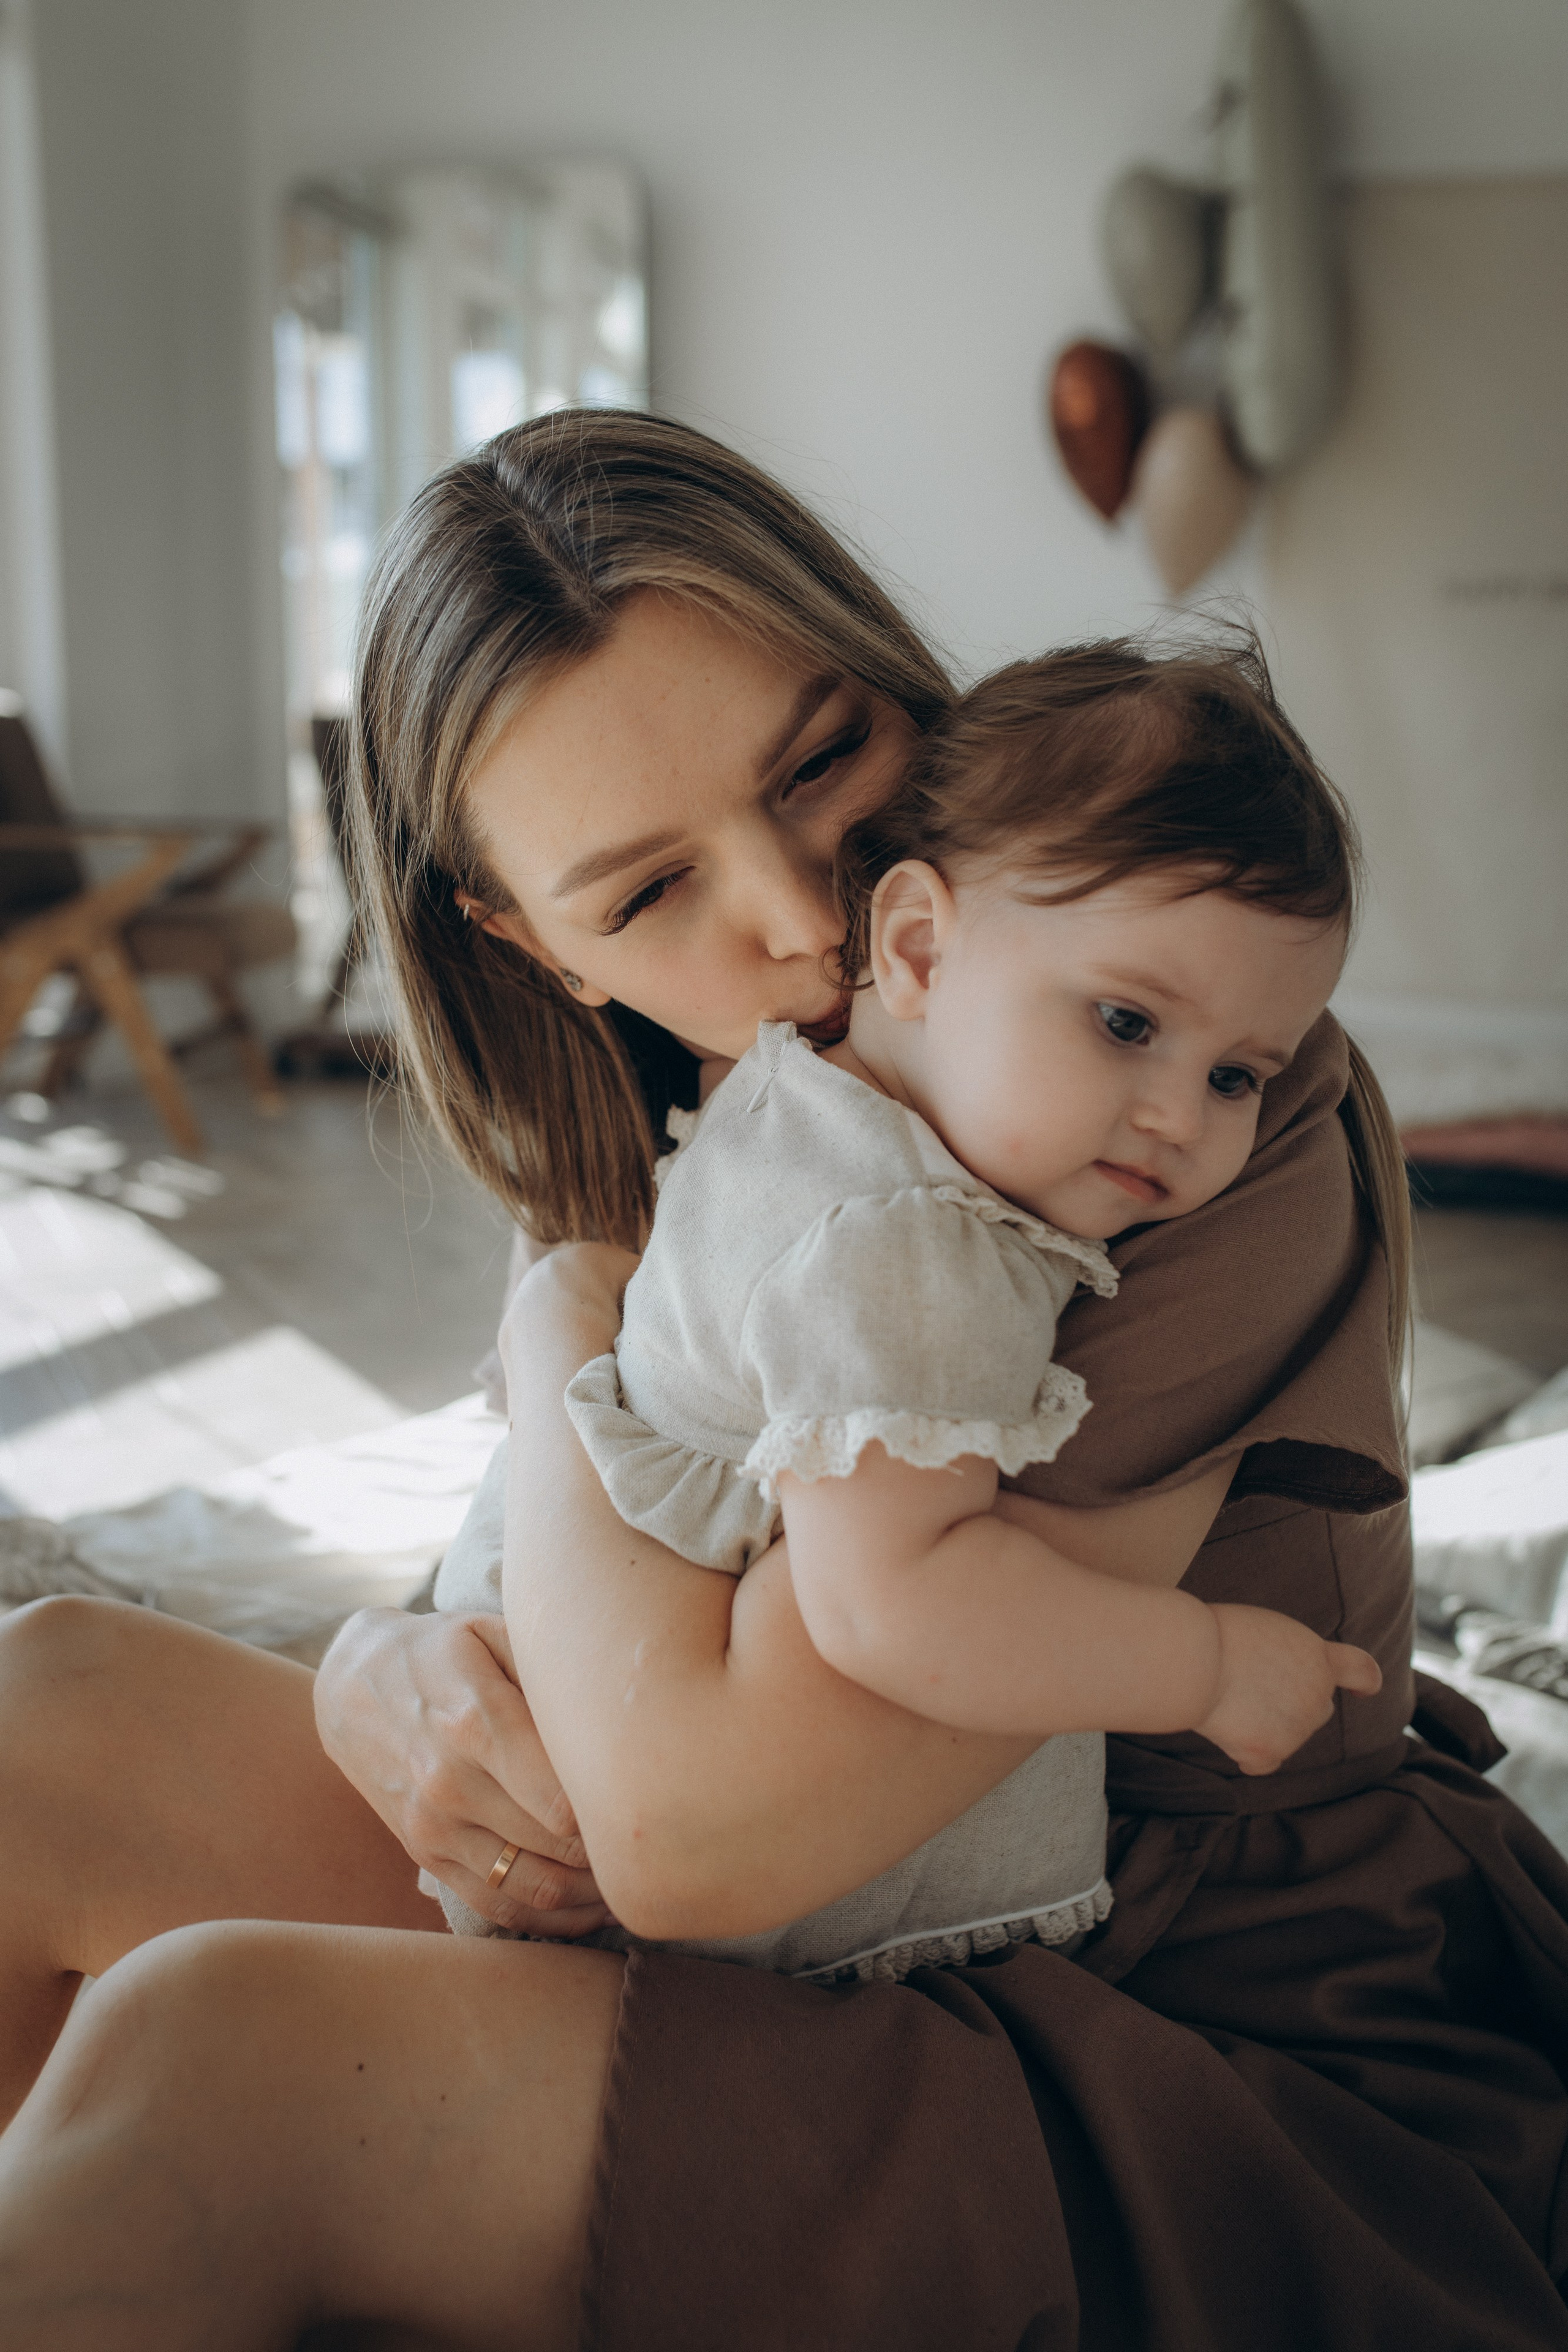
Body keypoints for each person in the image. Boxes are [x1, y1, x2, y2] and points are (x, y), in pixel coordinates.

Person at [0, 412, 1564, 2351]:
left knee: (207, 2070)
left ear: (900, 681)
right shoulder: (733, 1114)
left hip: (1146, 2017)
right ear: (533, 946)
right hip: (796, 1938)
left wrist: (552, 1324)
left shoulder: (1178, 1108)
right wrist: (376, 1676)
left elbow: (697, 1831)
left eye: (824, 764)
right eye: (647, 893)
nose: (803, 921)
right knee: (40, 1711)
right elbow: (570, 1567)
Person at [436, 639, 1385, 1991]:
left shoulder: (798, 1094)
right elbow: (897, 1597)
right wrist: (1205, 1666)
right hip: (700, 1892)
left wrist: (547, 1335)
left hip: (639, 1805)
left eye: (1236, 1072)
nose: (1182, 1116)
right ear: (920, 944)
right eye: (1124, 1024)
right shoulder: (908, 1247)